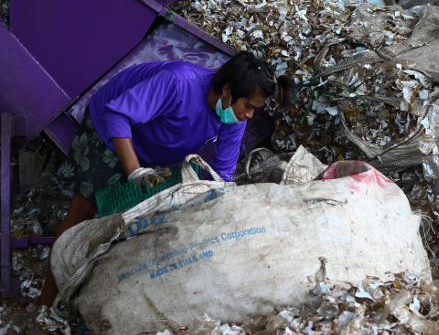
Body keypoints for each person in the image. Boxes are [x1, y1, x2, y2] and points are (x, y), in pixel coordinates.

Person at [37, 51, 293, 307]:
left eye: (254, 110)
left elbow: (221, 174)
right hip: (110, 130)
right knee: (84, 209)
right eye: (249, 107)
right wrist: (135, 171)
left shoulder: (232, 117)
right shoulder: (177, 83)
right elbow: (118, 115)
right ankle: (46, 302)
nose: (249, 116)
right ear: (227, 90)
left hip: (150, 147)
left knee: (128, 222)